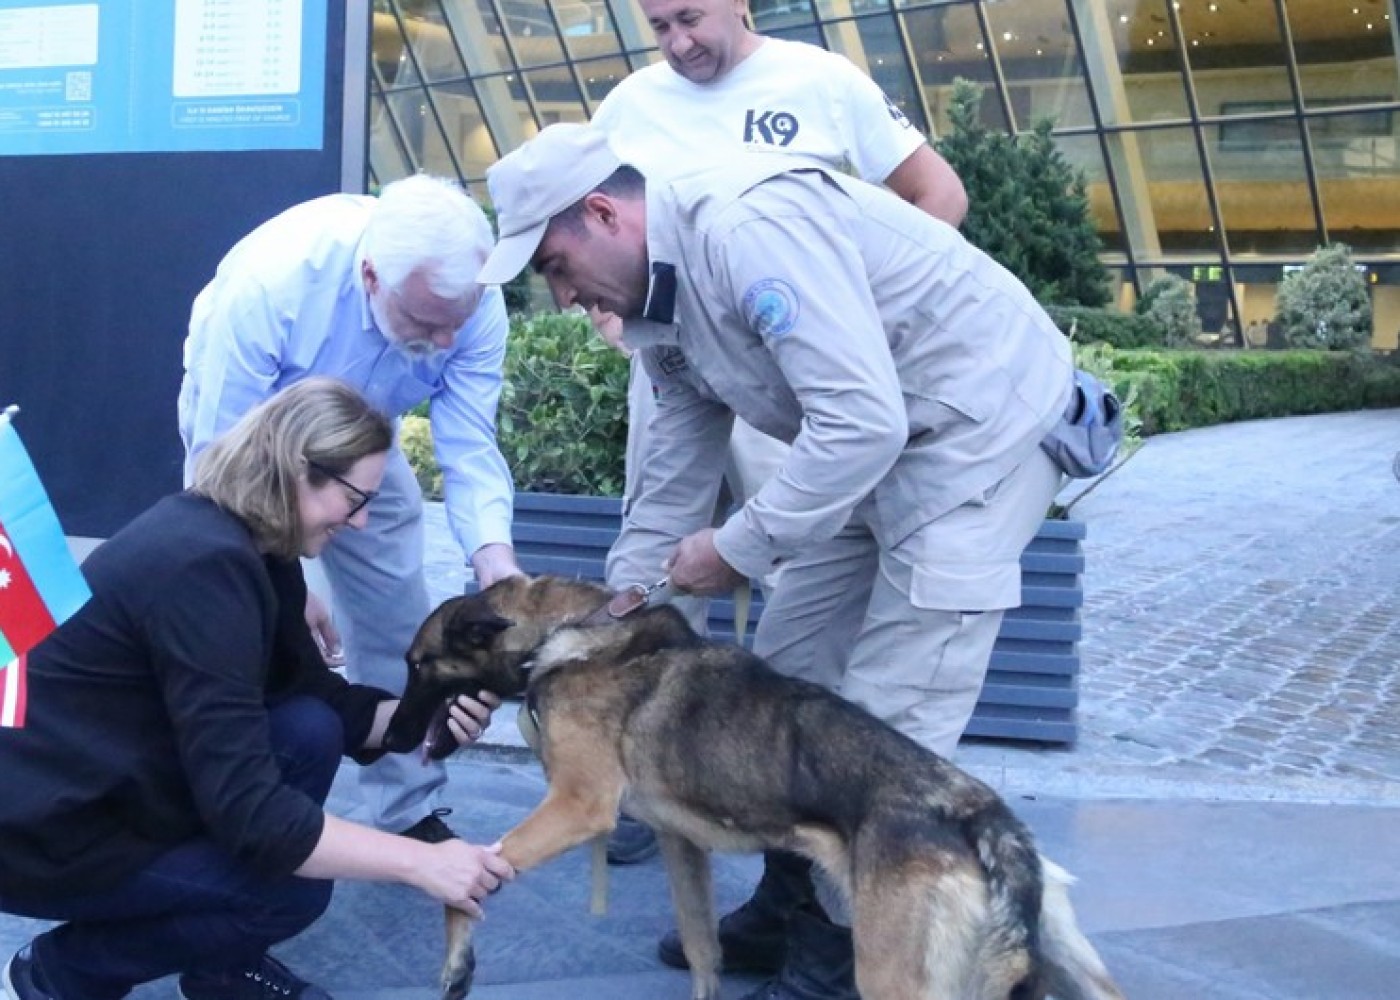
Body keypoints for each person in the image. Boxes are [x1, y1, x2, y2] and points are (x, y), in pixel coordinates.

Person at [475, 123, 1073, 1000]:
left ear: (603, 212)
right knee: (778, 685)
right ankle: (791, 906)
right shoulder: (656, 305)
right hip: (862, 451)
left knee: (884, 724)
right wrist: (616, 613)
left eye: (557, 267)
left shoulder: (745, 230)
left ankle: (837, 962)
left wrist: (737, 547)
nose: (562, 296)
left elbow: (862, 420)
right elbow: (672, 473)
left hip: (973, 438)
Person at [588, 0, 970, 867]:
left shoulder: (823, 82)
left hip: (801, 373)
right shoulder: (629, 107)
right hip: (680, 366)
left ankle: (811, 836)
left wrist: (848, 324)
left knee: (790, 554)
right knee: (658, 556)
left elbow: (938, 195)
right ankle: (654, 782)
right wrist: (617, 322)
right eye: (659, 27)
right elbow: (592, 228)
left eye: (690, 17)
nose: (678, 43)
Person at [0, 378, 515, 1000]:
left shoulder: (251, 545)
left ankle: (218, 966)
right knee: (289, 889)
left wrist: (417, 720)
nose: (362, 521)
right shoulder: (200, 567)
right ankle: (61, 971)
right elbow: (254, 816)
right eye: (355, 499)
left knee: (307, 728)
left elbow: (310, 694)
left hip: (123, 778)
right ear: (298, 470)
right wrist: (423, 862)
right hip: (48, 830)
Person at [178, 174, 522, 842]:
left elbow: (470, 446)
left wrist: (495, 562)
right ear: (371, 277)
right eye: (425, 324)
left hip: (370, 435)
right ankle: (244, 798)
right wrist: (287, 577)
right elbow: (218, 459)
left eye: (458, 323)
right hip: (253, 440)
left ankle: (407, 805)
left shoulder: (472, 301)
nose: (446, 342)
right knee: (250, 620)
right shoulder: (271, 284)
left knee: (401, 616)